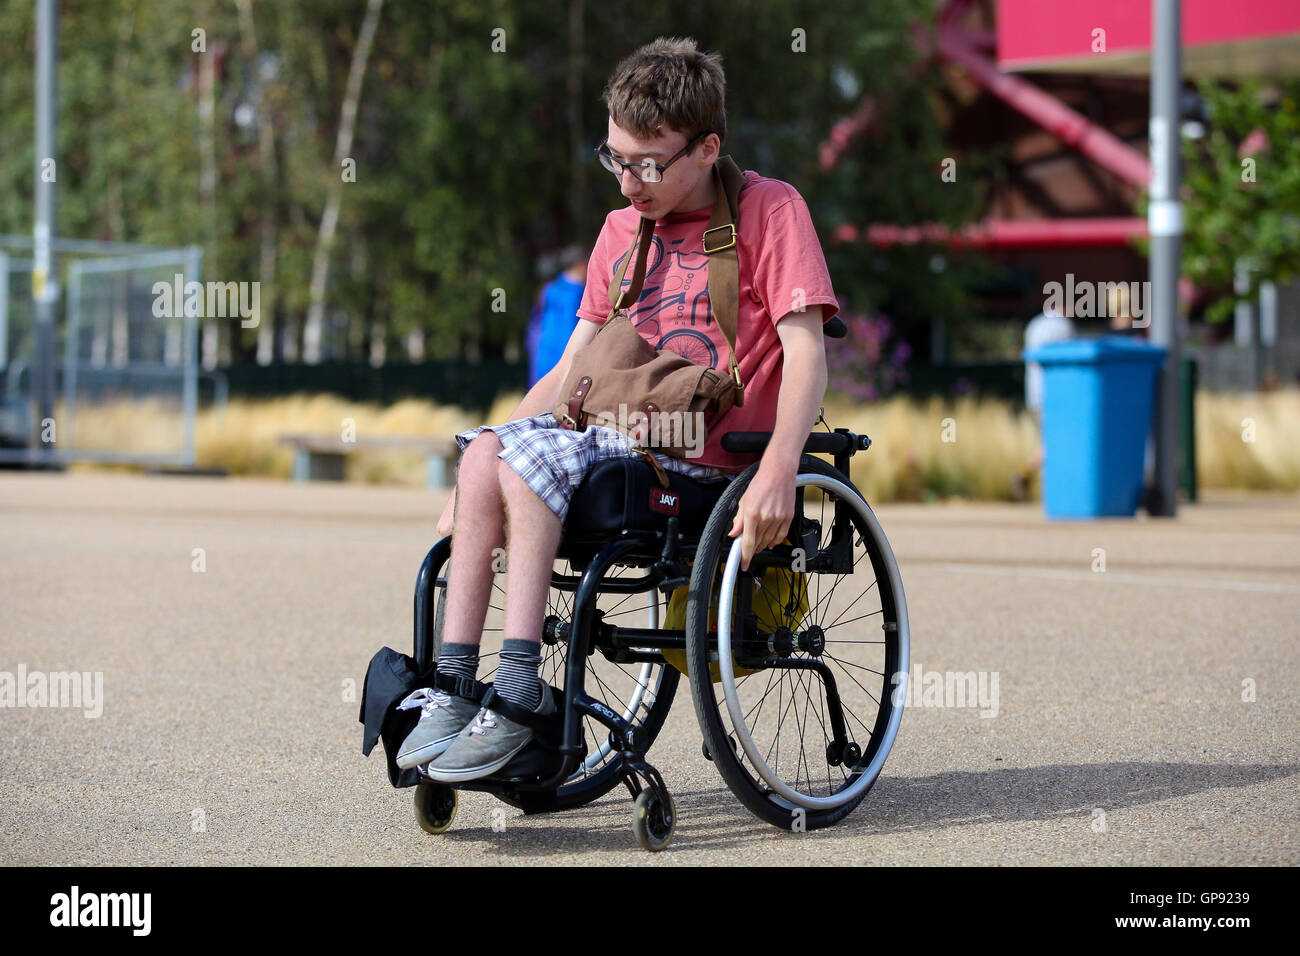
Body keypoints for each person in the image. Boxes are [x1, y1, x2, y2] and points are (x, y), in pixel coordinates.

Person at [398, 36, 839, 782]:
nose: (630, 180)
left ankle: (515, 692)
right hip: (614, 441)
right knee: (485, 451)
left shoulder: (771, 211)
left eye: (649, 163)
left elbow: (808, 356)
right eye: (615, 158)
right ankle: (452, 686)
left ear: (707, 148)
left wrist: (779, 469)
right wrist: (477, 477)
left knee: (528, 457)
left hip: (707, 459)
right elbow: (571, 370)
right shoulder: (619, 233)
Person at [526, 247, 589, 388]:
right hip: (565, 364)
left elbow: (534, 327)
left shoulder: (548, 289)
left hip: (541, 359)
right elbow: (573, 329)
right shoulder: (578, 293)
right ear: (580, 264)